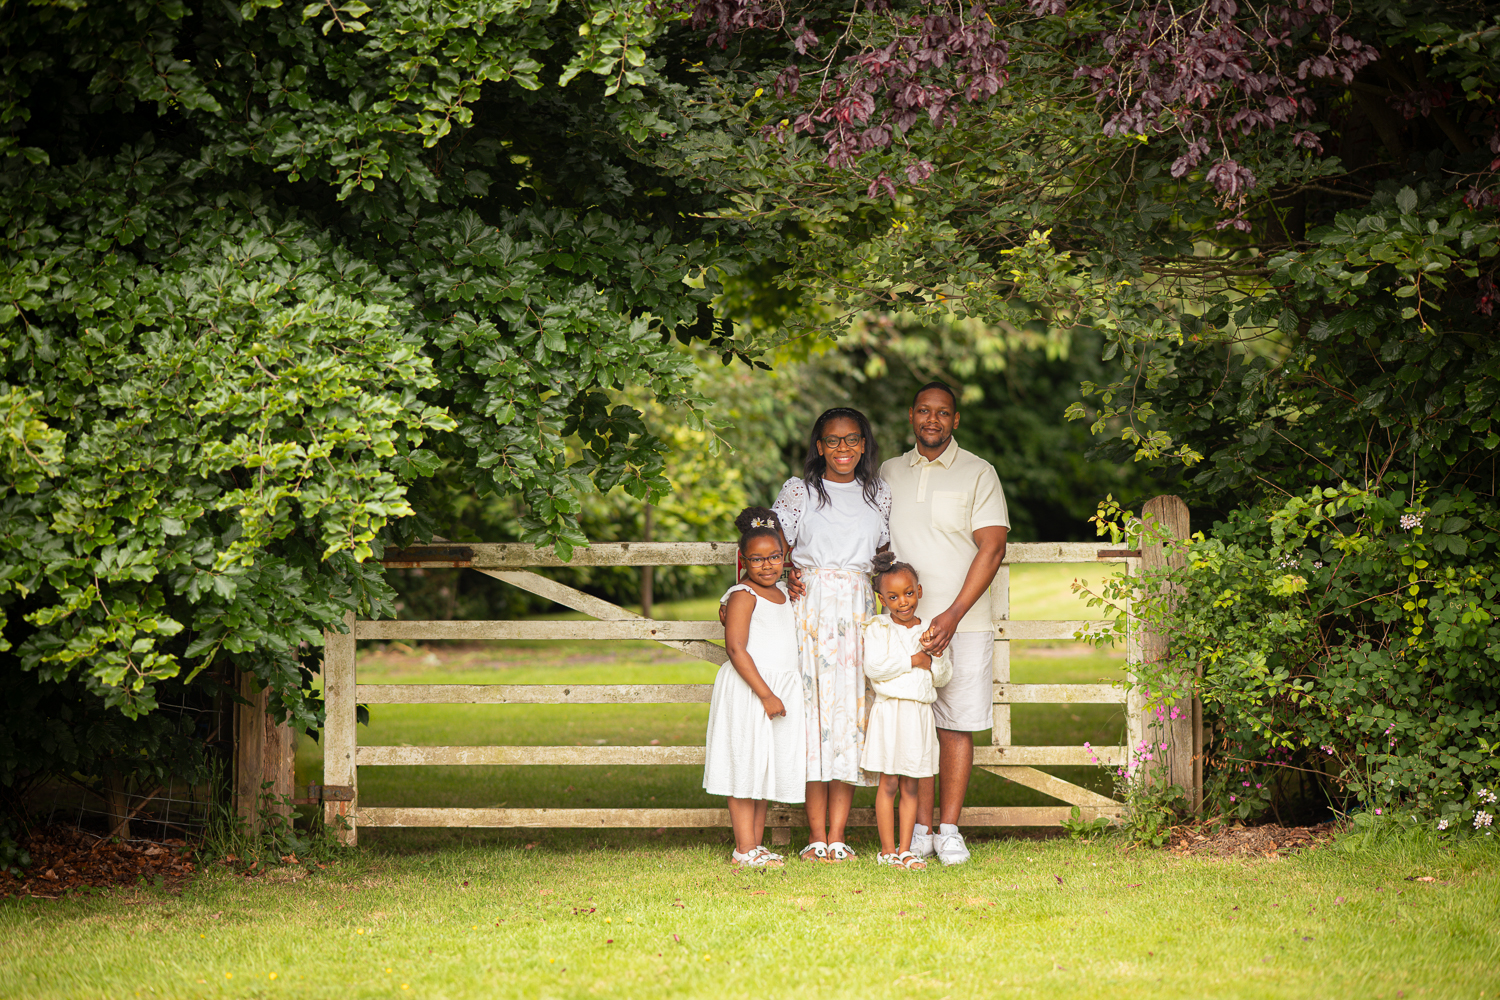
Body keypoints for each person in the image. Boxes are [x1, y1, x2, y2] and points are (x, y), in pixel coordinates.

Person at [879, 382, 1008, 866]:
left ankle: (950, 829)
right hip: (904, 626)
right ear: (911, 415)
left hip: (965, 622)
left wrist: (952, 615)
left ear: (956, 420)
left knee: (957, 726)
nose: (932, 420)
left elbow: (992, 547)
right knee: (913, 722)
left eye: (943, 413)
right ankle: (919, 829)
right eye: (924, 411)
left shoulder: (979, 472)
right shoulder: (889, 471)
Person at [772, 407, 891, 863]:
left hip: (858, 612)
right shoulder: (800, 491)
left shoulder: (878, 493)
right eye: (834, 440)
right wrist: (787, 572)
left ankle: (838, 836)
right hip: (811, 611)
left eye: (853, 439)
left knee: (847, 722)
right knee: (813, 718)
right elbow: (769, 542)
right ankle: (815, 835)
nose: (844, 449)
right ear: (819, 446)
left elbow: (882, 554)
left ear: (864, 444)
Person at [703, 507, 806, 868]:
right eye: (757, 559)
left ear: (785, 557)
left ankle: (756, 847)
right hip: (751, 690)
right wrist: (765, 693)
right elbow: (735, 648)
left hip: (772, 689)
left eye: (774, 557)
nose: (767, 565)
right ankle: (743, 848)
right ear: (743, 560)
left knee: (763, 768)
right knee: (745, 766)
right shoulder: (743, 594)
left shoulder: (780, 591)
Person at [861, 553, 952, 870]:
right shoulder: (878, 627)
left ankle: (906, 849)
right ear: (881, 598)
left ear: (920, 591)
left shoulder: (931, 630)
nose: (903, 602)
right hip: (890, 713)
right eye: (893, 596)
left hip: (919, 715)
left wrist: (934, 656)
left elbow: (942, 677)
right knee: (889, 783)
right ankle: (887, 850)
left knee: (911, 784)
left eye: (909, 593)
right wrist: (915, 660)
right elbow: (875, 668)